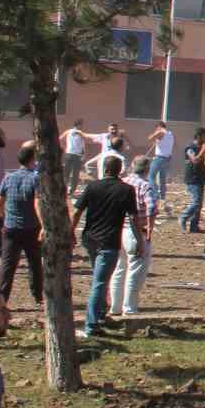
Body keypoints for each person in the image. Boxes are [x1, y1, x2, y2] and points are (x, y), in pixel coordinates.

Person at [69, 155, 141, 338]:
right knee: (99, 283)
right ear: (120, 170)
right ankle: (91, 325)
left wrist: (70, 231)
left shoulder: (93, 186)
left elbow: (77, 211)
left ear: (105, 169)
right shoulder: (126, 190)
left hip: (90, 239)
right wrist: (139, 240)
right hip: (109, 241)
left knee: (100, 278)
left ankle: (100, 313)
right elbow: (133, 218)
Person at [110, 155, 157, 318]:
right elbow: (151, 207)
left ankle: (115, 307)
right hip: (136, 231)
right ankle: (129, 308)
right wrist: (150, 228)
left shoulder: (122, 182)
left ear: (132, 166)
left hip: (119, 230)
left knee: (119, 269)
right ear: (147, 169)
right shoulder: (145, 185)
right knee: (135, 271)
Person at [0, 142, 43, 305]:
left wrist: (4, 217)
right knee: (35, 263)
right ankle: (38, 296)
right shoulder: (35, 178)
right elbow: (37, 203)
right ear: (32, 159)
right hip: (30, 228)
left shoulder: (8, 177)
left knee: (7, 265)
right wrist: (43, 225)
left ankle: (2, 298)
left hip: (11, 227)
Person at [180, 128, 205, 233]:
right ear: (198, 136)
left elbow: (201, 165)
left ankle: (194, 226)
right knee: (196, 202)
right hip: (192, 178)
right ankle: (183, 217)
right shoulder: (190, 148)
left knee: (199, 204)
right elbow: (195, 161)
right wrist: (203, 150)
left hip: (200, 178)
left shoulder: (200, 147)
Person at [147, 121, 175, 212]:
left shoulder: (161, 132)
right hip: (167, 159)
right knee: (162, 180)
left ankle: (155, 195)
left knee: (150, 177)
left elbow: (150, 138)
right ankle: (162, 197)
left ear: (159, 127)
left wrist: (155, 134)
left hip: (159, 158)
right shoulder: (170, 134)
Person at [60, 118, 88, 195]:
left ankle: (71, 190)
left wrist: (84, 154)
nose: (82, 126)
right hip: (71, 154)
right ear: (78, 125)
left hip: (75, 155)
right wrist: (64, 147)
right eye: (81, 125)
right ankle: (67, 190)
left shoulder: (79, 133)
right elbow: (60, 139)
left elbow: (83, 144)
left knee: (73, 173)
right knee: (70, 173)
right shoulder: (69, 131)